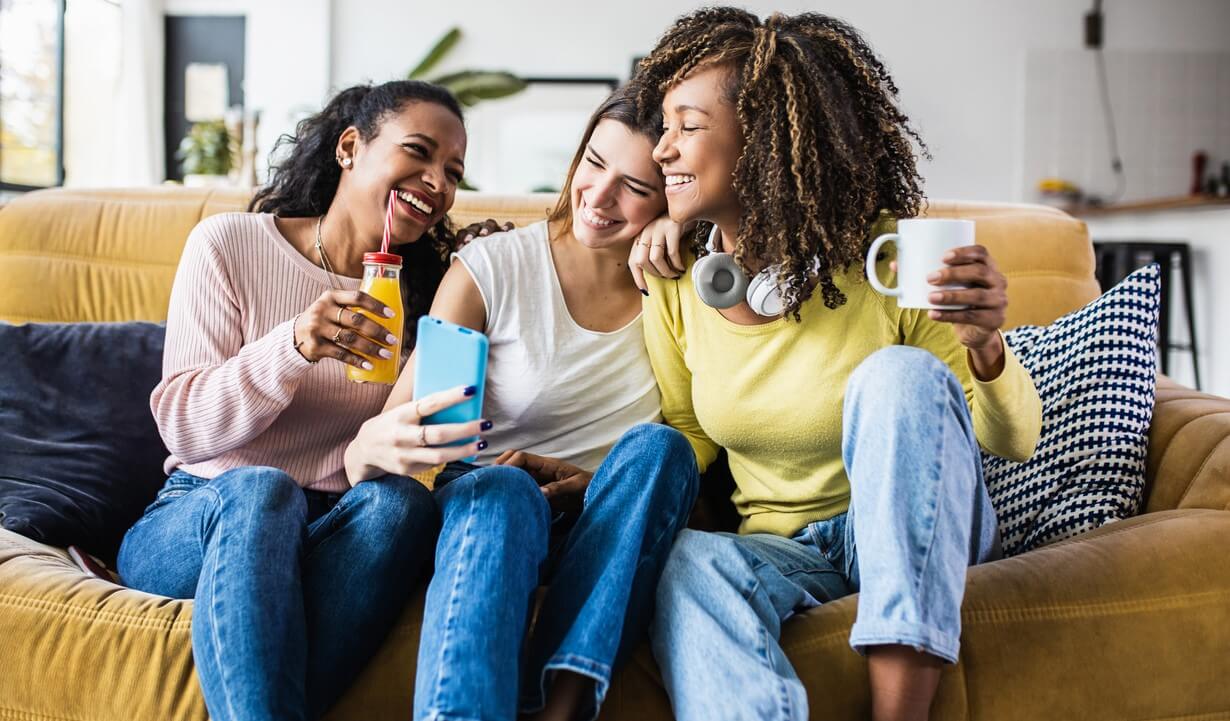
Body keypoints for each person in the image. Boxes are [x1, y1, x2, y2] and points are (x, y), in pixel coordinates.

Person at [629, 9, 1042, 721]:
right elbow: (691, 432)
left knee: (898, 376)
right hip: (790, 551)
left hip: (916, 524)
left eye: (686, 125)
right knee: (688, 563)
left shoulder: (891, 258)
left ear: (760, 137)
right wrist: (602, 480)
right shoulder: (676, 280)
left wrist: (984, 344)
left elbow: (1011, 440)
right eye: (661, 126)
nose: (660, 149)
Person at [117, 80, 487, 721]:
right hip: (204, 514)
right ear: (350, 147)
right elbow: (180, 427)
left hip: (334, 532)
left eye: (452, 173)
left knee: (400, 506)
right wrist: (292, 344)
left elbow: (425, 443)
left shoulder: (427, 290)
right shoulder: (230, 244)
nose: (436, 182)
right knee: (264, 489)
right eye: (419, 153)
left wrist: (483, 279)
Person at [347, 86, 700, 721]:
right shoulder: (495, 269)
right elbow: (401, 439)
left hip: (609, 518)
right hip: (493, 504)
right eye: (594, 162)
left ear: (672, 193)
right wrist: (383, 448)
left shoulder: (683, 288)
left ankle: (561, 706)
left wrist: (597, 486)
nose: (598, 195)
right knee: (503, 492)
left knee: (659, 449)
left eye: (636, 187)